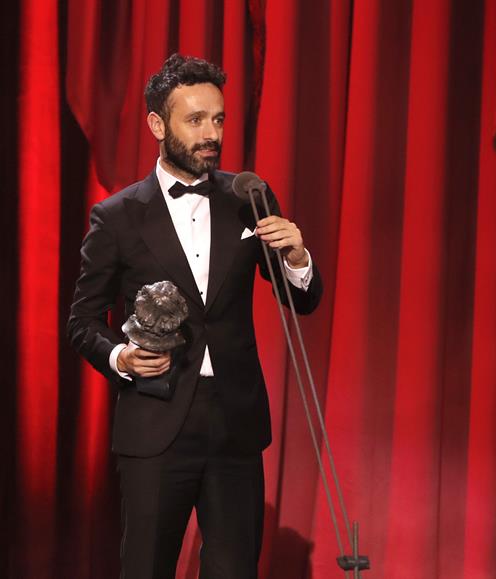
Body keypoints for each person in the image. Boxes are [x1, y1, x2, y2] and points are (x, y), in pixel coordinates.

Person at [67, 53, 322, 578]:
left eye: (219, 119)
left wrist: (297, 258)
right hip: (156, 421)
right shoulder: (116, 217)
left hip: (235, 423)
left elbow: (301, 300)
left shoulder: (248, 197)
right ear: (157, 125)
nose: (212, 134)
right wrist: (121, 357)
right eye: (196, 120)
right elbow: (82, 321)